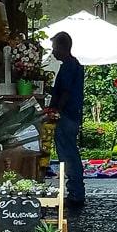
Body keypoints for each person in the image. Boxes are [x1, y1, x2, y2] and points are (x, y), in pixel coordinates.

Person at [50, 31, 85, 206]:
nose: (53, 52)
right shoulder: (74, 65)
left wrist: (56, 110)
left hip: (67, 115)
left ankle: (75, 192)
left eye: (54, 47)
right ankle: (76, 190)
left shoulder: (69, 66)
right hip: (72, 114)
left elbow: (65, 91)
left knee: (68, 154)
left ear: (62, 47)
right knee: (70, 152)